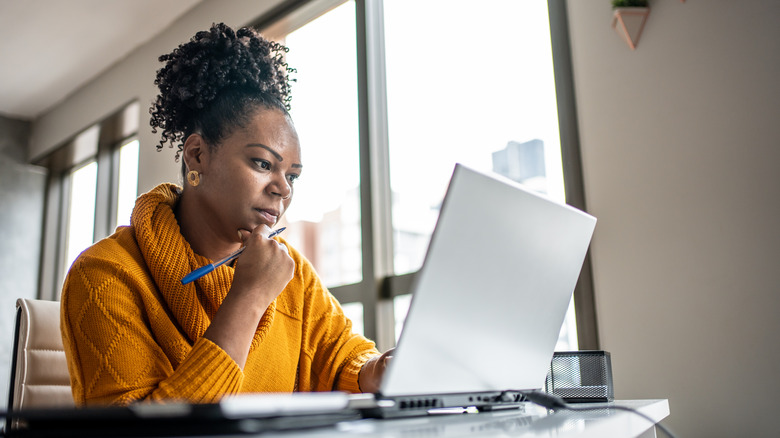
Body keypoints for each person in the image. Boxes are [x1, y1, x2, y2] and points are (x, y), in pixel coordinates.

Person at [60, 22, 390, 406]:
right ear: (197, 154)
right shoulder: (105, 274)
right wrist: (249, 298)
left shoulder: (292, 273)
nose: (283, 188)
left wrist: (375, 369)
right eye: (263, 163)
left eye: (293, 176)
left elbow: (341, 355)